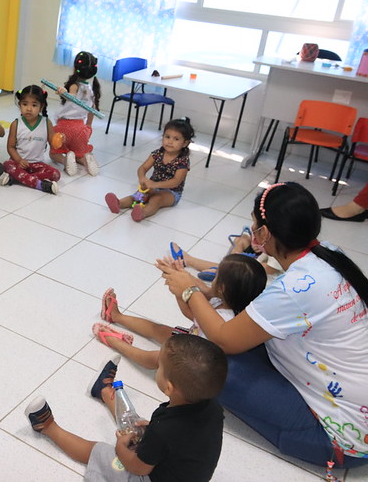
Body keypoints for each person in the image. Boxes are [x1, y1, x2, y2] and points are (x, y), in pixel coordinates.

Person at [161, 182, 368, 468]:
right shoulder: (325, 253)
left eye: (255, 225)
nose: (252, 230)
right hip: (348, 395)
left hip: (343, 437)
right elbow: (256, 283)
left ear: (266, 233)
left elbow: (224, 339)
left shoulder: (296, 288)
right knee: (224, 331)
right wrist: (202, 290)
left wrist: (190, 290)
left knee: (200, 365)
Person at [26, 334, 227, 482]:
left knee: (98, 451)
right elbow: (185, 439)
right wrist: (150, 431)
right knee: (133, 423)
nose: (157, 367)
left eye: (159, 366)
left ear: (168, 387)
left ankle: (47, 426)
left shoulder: (163, 429)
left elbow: (139, 468)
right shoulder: (213, 408)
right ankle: (104, 390)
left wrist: (121, 449)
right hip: (179, 468)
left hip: (148, 477)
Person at [93, 254, 266, 370]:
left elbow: (190, 311)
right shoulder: (223, 302)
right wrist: (179, 281)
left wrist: (181, 289)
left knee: (154, 359)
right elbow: (192, 306)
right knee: (158, 329)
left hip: (192, 360)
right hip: (192, 339)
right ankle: (116, 316)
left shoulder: (223, 318)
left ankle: (116, 343)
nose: (212, 280)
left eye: (216, 276)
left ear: (221, 288)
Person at [105, 118, 195, 222]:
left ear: (185, 143)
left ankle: (142, 213)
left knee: (156, 199)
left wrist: (155, 185)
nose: (170, 141)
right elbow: (142, 168)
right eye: (167, 137)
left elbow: (176, 182)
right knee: (139, 195)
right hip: (152, 185)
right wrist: (142, 178)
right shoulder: (157, 153)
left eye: (176, 139)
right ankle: (118, 203)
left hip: (172, 192)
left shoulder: (182, 161)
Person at [0, 85, 61, 194]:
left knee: (55, 174)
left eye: (34, 105)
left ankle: (17, 179)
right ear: (20, 105)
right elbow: (10, 147)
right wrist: (19, 160)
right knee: (7, 165)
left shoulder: (46, 123)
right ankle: (39, 184)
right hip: (18, 163)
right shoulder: (16, 124)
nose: (28, 108)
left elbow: (53, 143)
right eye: (24, 104)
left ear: (41, 107)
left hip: (37, 164)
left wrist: (59, 139)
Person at [50, 51, 102, 177]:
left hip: (63, 128)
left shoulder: (73, 85)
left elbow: (71, 97)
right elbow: (92, 111)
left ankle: (65, 160)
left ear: (75, 68)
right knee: (78, 153)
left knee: (54, 153)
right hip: (80, 130)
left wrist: (63, 92)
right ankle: (85, 161)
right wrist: (88, 127)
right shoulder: (91, 89)